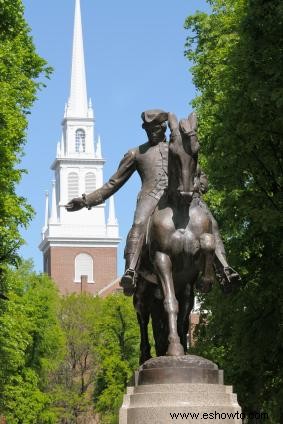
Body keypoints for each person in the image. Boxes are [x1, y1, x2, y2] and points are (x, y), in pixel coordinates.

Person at [66, 109, 170, 295]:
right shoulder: (136, 153)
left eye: (154, 128)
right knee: (138, 224)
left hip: (174, 197)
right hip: (150, 197)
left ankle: (221, 267)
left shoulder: (176, 150)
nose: (150, 132)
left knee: (205, 219)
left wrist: (200, 182)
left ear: (163, 127)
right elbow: (113, 184)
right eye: (147, 129)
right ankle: (131, 270)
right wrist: (85, 200)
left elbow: (195, 171)